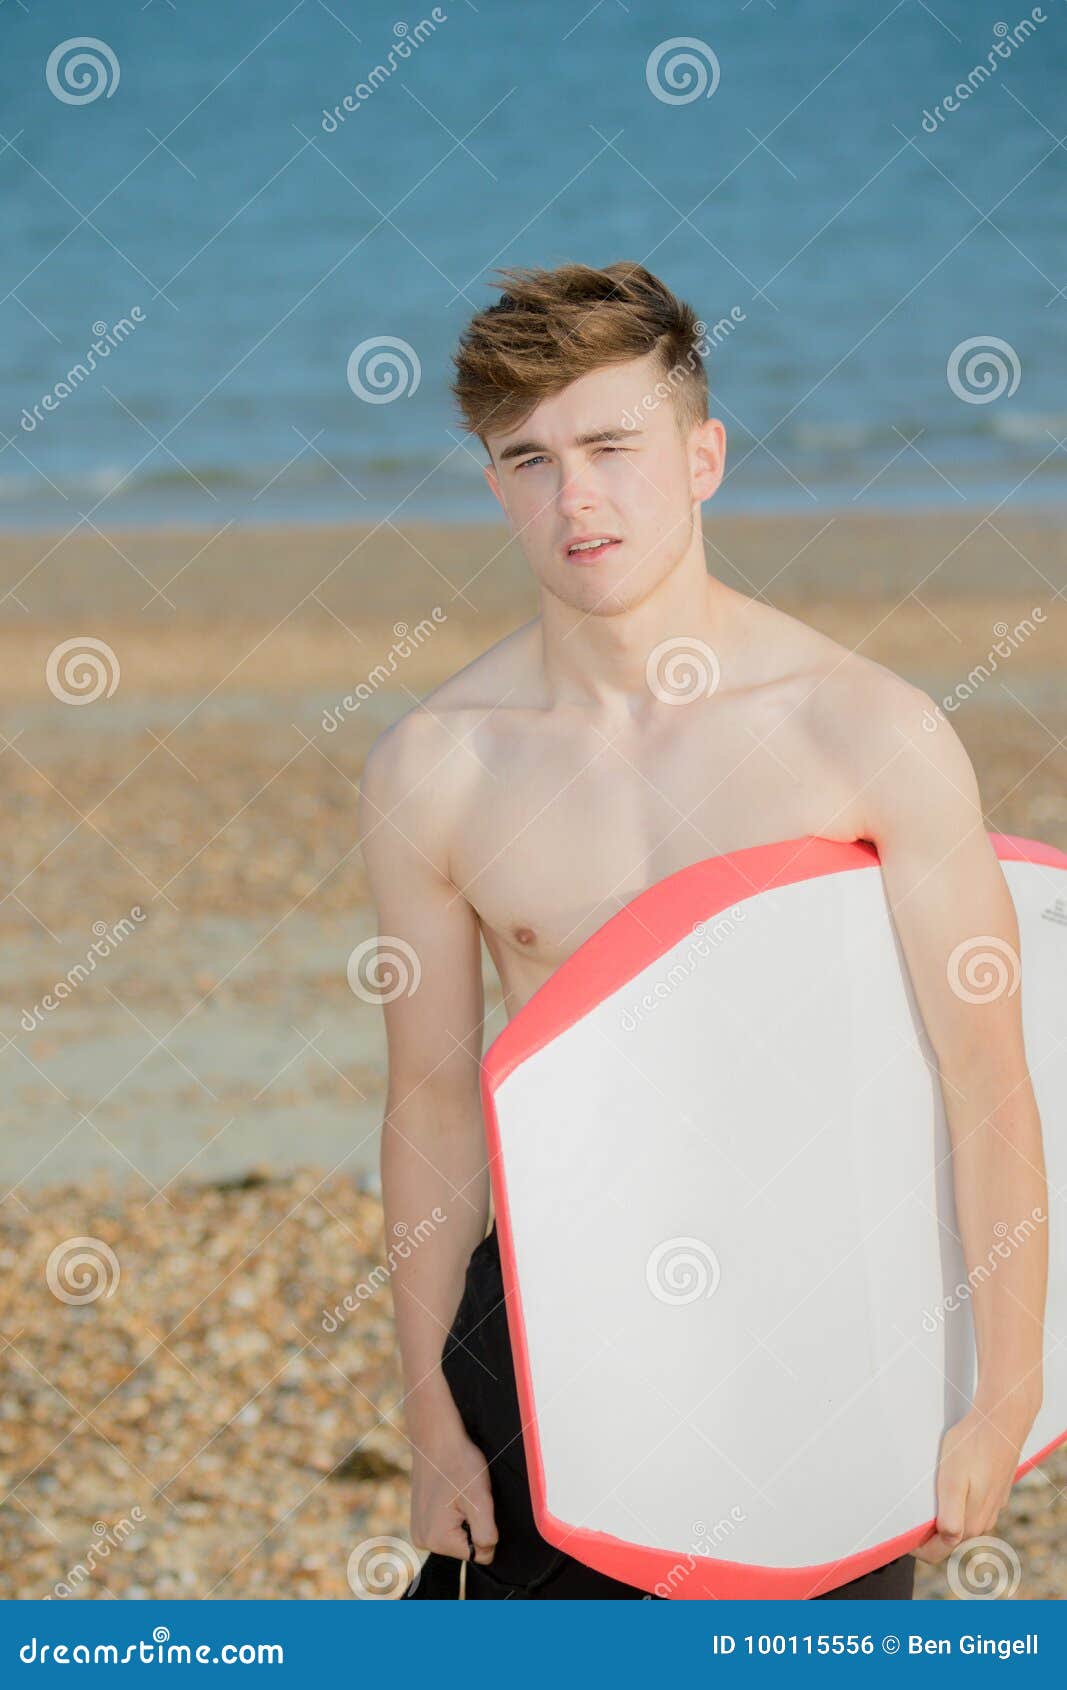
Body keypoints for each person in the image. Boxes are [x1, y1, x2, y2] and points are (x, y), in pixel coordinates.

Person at [357, 261, 1047, 1600]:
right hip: (552, 1340)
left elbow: (987, 1080)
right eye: (532, 459)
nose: (578, 498)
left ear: (704, 454)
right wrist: (430, 1415)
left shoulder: (865, 734)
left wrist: (1003, 1388)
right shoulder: (438, 769)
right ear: (496, 484)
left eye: (613, 447)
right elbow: (431, 1109)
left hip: (817, 1342)